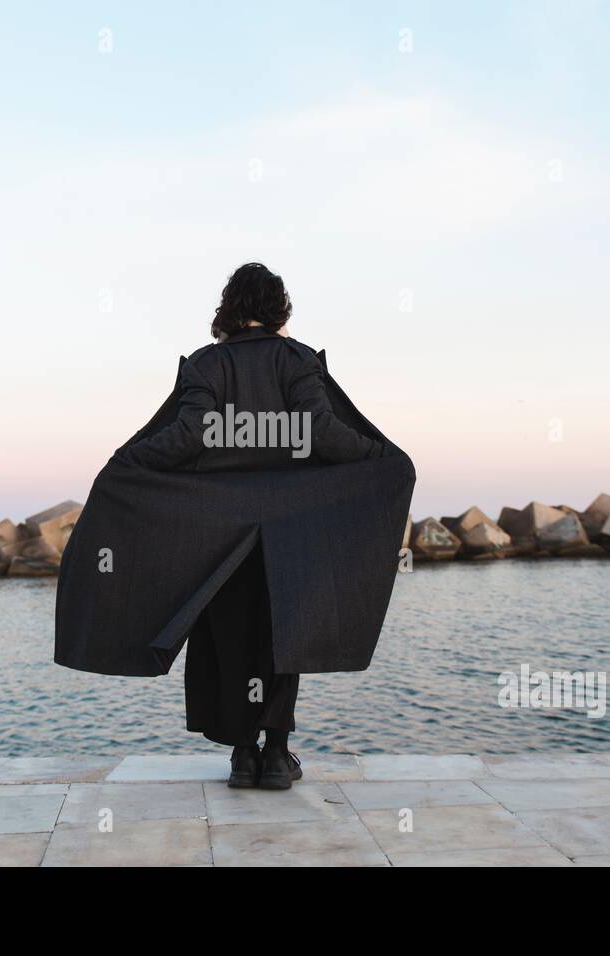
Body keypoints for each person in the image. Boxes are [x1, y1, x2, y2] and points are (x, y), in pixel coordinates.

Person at [53, 264, 414, 792]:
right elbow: (318, 430)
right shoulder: (296, 359)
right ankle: (277, 756)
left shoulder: (209, 363)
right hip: (292, 530)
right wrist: (381, 456)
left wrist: (128, 460)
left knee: (227, 637)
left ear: (228, 306)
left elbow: (190, 434)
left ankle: (244, 756)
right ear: (279, 308)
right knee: (282, 637)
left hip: (215, 532)